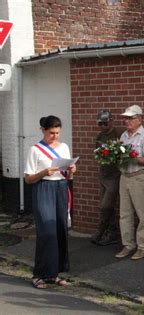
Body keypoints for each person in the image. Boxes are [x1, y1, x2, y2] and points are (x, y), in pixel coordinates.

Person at [24, 115, 77, 289]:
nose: (54, 136)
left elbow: (68, 175)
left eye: (57, 133)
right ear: (43, 131)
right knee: (47, 232)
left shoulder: (64, 147)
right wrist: (43, 172)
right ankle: (39, 274)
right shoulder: (35, 150)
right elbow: (28, 179)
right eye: (51, 133)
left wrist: (72, 170)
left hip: (60, 188)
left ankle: (54, 274)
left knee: (60, 230)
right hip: (43, 188)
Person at [115, 105, 144, 260]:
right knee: (124, 213)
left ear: (140, 119)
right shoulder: (124, 136)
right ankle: (128, 245)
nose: (126, 121)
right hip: (124, 176)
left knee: (143, 214)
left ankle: (143, 247)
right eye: (125, 118)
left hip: (139, 177)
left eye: (130, 118)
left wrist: (132, 157)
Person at [91, 111, 125, 246]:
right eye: (100, 123)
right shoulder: (100, 136)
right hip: (104, 175)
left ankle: (100, 230)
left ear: (111, 120)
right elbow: (97, 154)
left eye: (105, 123)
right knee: (106, 206)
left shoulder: (119, 133)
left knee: (105, 206)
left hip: (115, 175)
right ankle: (112, 233)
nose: (103, 126)